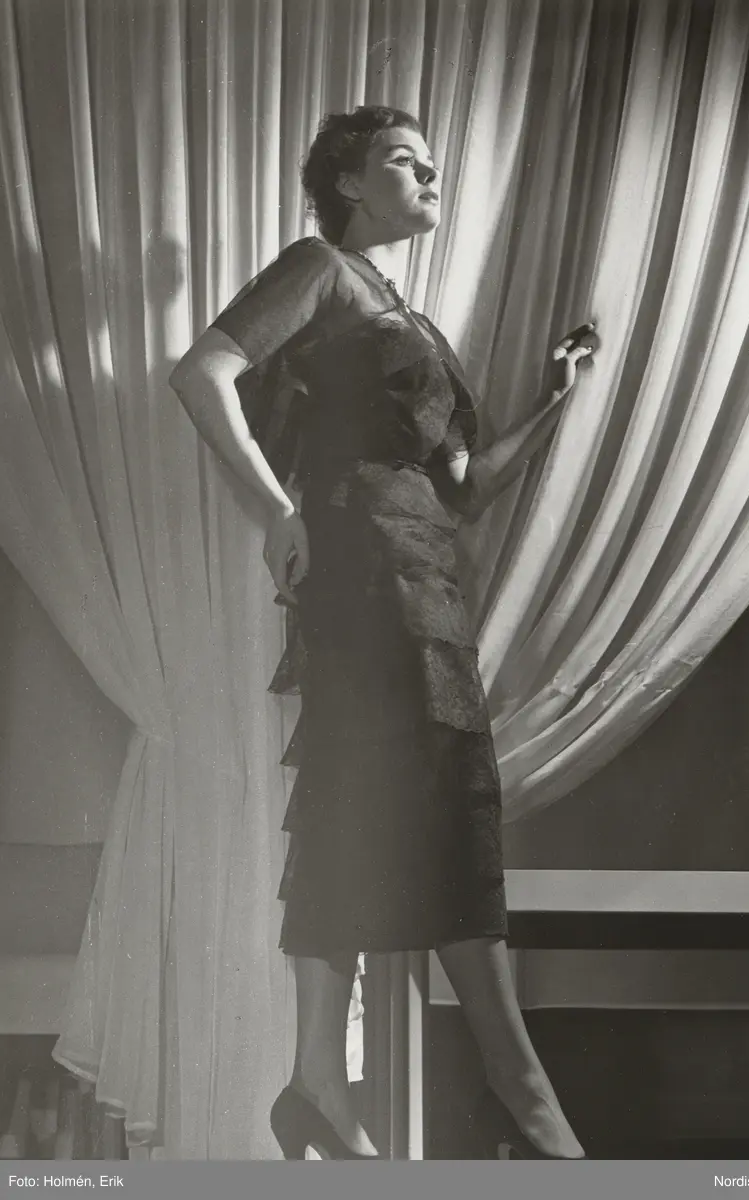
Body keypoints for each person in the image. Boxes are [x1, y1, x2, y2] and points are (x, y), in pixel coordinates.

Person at [170, 105, 597, 1161]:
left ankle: (319, 1079)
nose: (429, 176)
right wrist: (276, 510)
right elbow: (202, 371)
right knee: (432, 795)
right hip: (364, 570)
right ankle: (518, 1089)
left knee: (372, 794)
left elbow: (464, 488)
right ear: (350, 184)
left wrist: (552, 401)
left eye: (432, 163)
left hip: (424, 576)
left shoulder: (411, 320)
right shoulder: (318, 267)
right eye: (405, 162)